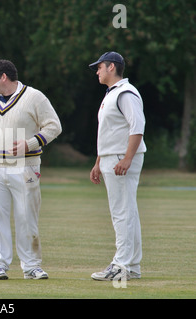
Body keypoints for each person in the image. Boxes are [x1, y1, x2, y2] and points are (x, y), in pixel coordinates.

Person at [0, 59, 62, 280]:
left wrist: (30, 144)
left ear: (4, 77)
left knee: (26, 217)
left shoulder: (34, 97)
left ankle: (31, 266)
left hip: (25, 167)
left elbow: (54, 126)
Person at [88, 51, 146, 281]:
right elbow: (111, 132)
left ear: (111, 67)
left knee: (121, 212)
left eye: (100, 67)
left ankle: (121, 265)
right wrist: (98, 162)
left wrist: (127, 158)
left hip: (122, 158)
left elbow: (137, 127)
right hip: (112, 156)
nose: (97, 71)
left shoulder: (126, 93)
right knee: (127, 210)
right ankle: (131, 266)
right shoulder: (112, 93)